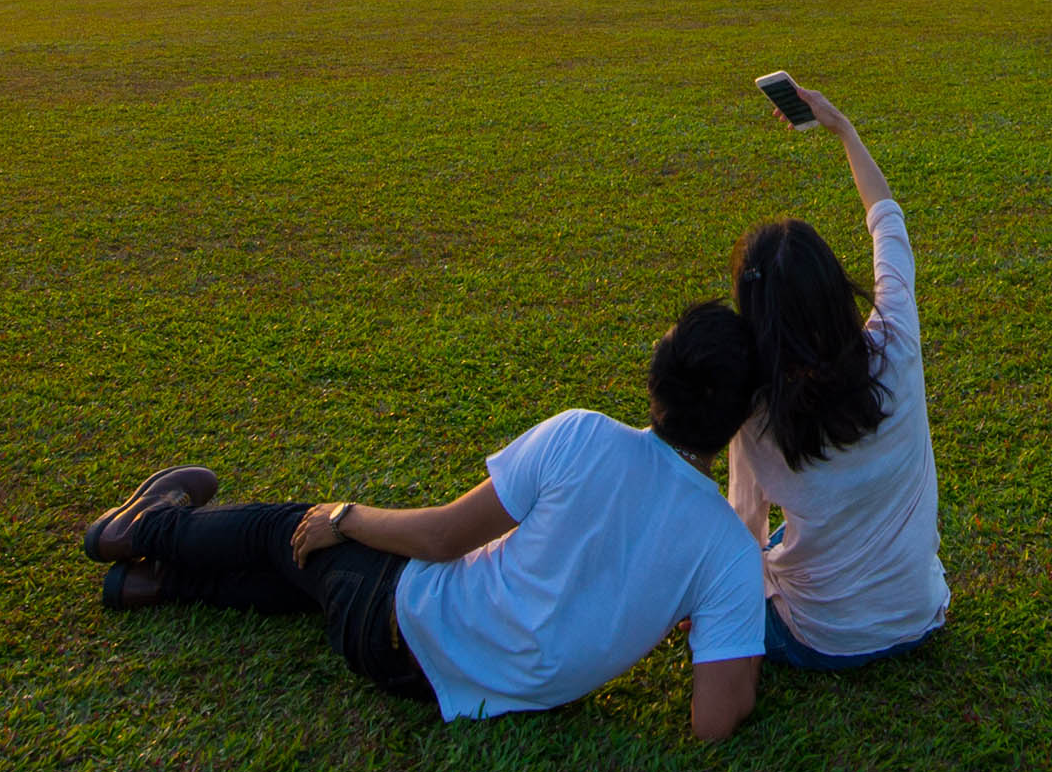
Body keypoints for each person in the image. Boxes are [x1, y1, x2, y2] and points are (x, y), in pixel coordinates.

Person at [84, 303, 770, 743]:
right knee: (309, 579)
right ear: (739, 421)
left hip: (398, 625)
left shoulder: (583, 438)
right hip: (475, 692)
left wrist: (346, 516)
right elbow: (714, 722)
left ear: (655, 378)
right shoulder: (727, 551)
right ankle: (161, 585)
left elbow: (442, 537)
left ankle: (139, 531)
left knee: (289, 531)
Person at [730, 80, 948, 673]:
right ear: (835, 289)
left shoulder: (754, 412)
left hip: (817, 640)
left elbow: (743, 532)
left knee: (752, 551)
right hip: (921, 616)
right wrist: (843, 128)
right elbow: (888, 223)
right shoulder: (895, 341)